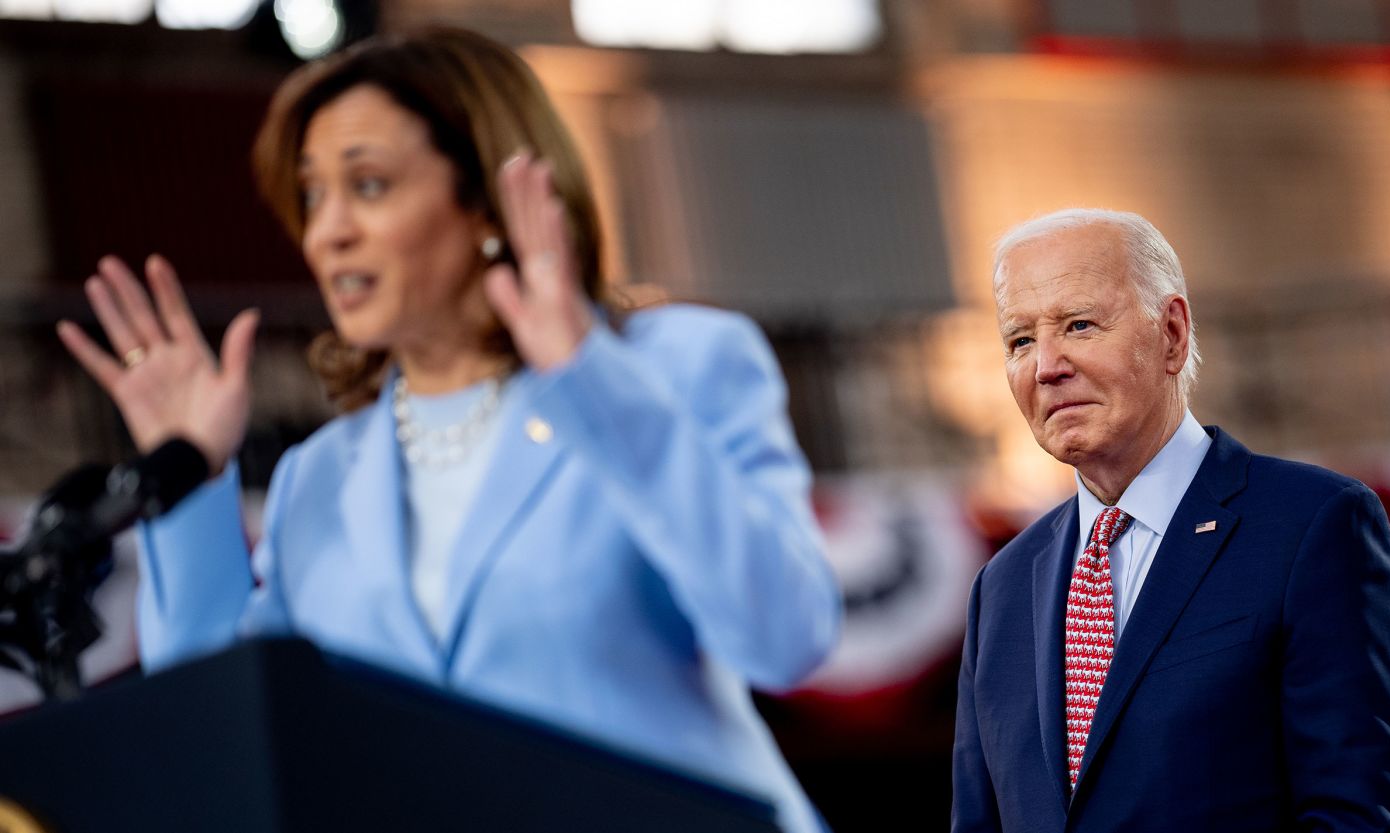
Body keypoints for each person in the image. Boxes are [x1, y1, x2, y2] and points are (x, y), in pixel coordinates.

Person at [55, 27, 840, 833]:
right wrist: (190, 485)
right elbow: (224, 746)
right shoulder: (321, 475)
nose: (327, 232)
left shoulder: (674, 365)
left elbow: (786, 634)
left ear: (488, 200)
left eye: (367, 184)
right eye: (313, 194)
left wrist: (586, 376)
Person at [952, 208, 1390, 832]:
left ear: (1172, 334)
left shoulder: (1312, 526)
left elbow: (1365, 818)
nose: (1046, 365)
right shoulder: (1001, 589)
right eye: (1019, 340)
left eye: (1079, 325)